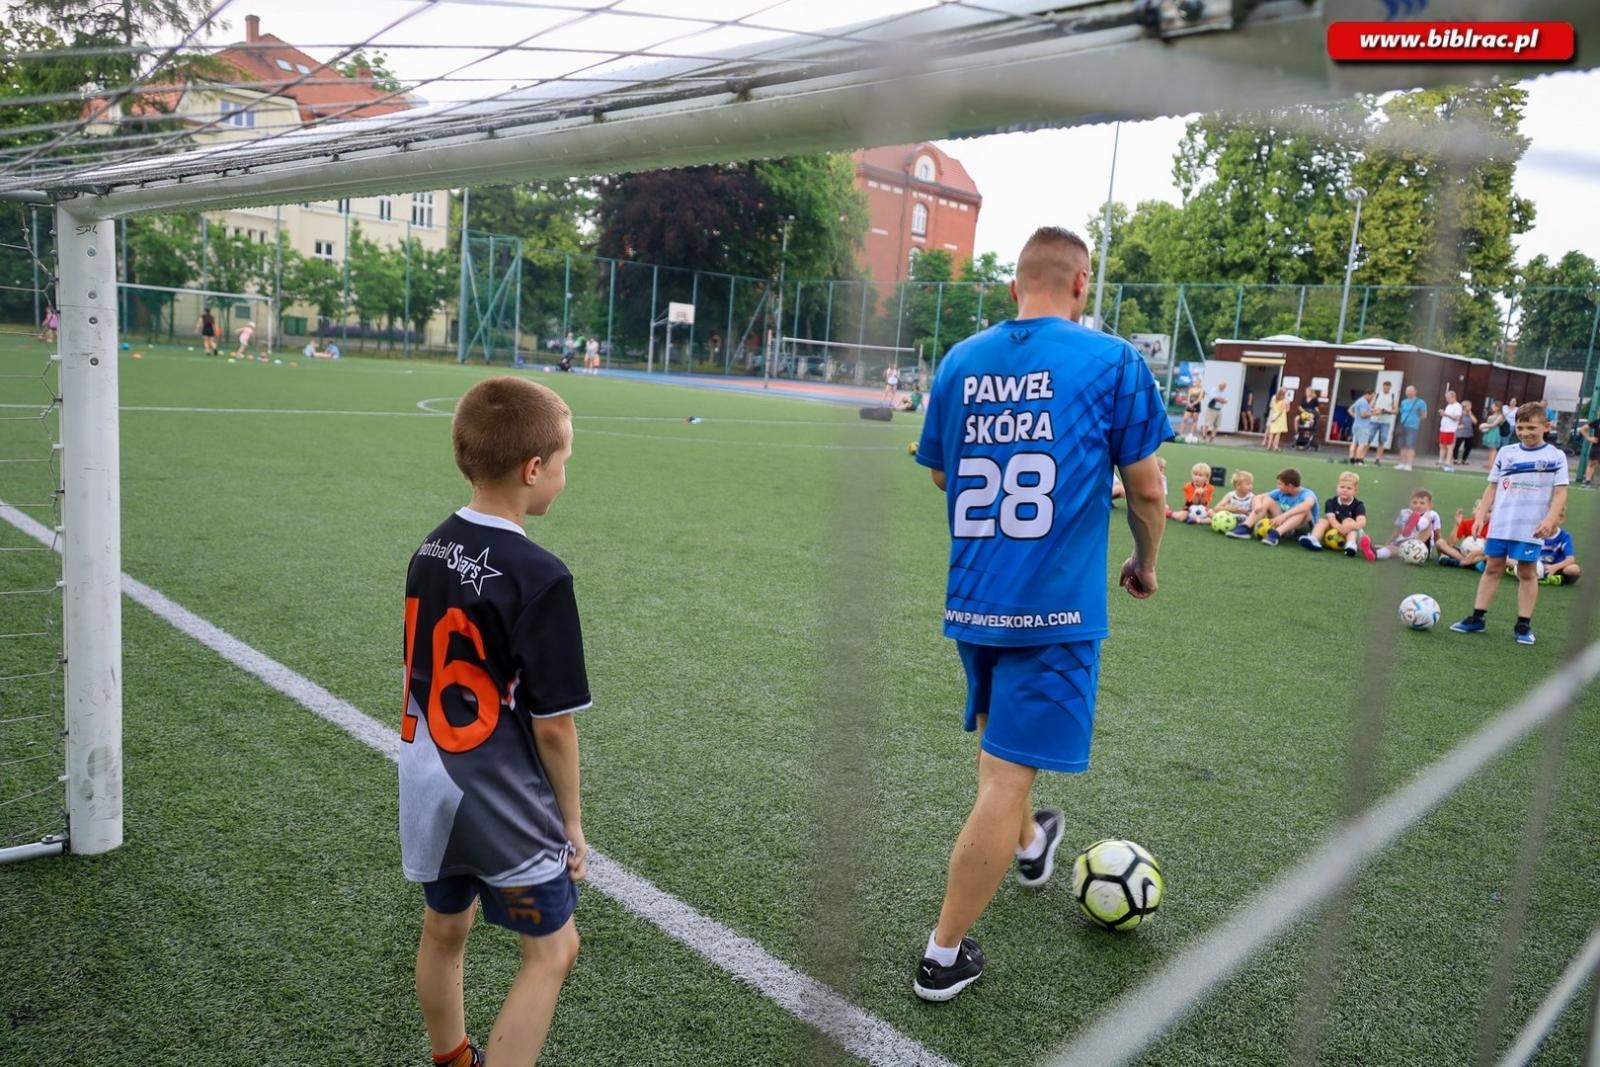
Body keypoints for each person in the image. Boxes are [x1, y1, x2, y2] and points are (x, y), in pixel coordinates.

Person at [911, 225, 1168, 1002]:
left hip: (976, 594)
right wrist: (1144, 561)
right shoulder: (1114, 360)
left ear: (1012, 283)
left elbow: (941, 476)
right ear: (1081, 285)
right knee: (1004, 773)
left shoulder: (961, 359)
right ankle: (942, 954)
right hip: (1054, 609)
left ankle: (1031, 841)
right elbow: (1150, 490)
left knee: (1000, 754)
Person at [402, 376, 588, 1066]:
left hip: (428, 779)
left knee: (445, 925)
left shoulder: (429, 548)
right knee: (553, 948)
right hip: (499, 797)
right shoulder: (540, 575)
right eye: (564, 464)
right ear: (532, 469)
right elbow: (553, 727)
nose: (564, 478)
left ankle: (451, 1057)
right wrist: (570, 822)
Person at [1450, 403, 1569, 644]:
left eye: (1531, 427)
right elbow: (1492, 487)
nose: (1525, 433)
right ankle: (1477, 618)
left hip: (1531, 527)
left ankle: (1523, 625)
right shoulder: (1507, 453)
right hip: (1501, 524)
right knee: (1493, 566)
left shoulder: (1556, 456)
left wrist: (1549, 519)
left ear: (1546, 426)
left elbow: (1561, 494)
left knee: (1526, 571)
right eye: (1521, 427)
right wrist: (1482, 515)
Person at [1225, 466, 1318, 546]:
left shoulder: (1307, 493)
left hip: (1303, 528)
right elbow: (1258, 497)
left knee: (1304, 510)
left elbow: (1307, 505)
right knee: (1267, 500)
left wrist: (1284, 516)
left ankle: (1276, 534)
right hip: (1286, 525)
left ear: (1289, 486)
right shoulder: (1281, 492)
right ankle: (1246, 527)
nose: (1278, 486)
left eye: (1280, 484)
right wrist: (1258, 505)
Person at [1300, 471, 1372, 559]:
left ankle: (1351, 545)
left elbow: (1362, 522)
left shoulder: (1358, 505)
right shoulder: (1330, 502)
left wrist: (1349, 526)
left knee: (1348, 521)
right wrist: (1340, 528)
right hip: (1336, 530)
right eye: (1342, 487)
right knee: (1323, 521)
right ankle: (1314, 539)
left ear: (1355, 490)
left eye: (1349, 488)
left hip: (1353, 534)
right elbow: (1331, 519)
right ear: (1337, 488)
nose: (1345, 490)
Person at [1372, 488, 1442, 561]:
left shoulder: (1432, 514)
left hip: (1420, 550)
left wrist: (1440, 554)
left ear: (1430, 505)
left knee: (1429, 521)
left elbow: (1437, 535)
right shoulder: (1405, 513)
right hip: (1404, 547)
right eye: (1414, 502)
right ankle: (1376, 554)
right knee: (1392, 548)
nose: (1418, 505)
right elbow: (1397, 532)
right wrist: (1386, 544)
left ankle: (1417, 524)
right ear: (1410, 503)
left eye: (1422, 503)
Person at [1437, 502, 1489, 569]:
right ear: (1474, 510)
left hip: (1481, 555)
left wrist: (1475, 553)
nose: (1483, 513)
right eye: (1480, 509)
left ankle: (1460, 563)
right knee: (1439, 543)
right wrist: (1457, 525)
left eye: (1488, 511)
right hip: (1464, 553)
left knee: (1492, 555)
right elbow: (1450, 544)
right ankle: (1470, 564)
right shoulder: (1466, 523)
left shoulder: (1493, 527)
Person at [1539, 507, 1581, 585]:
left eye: (1552, 516)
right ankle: (1551, 578)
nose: (1547, 520)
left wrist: (1554, 567)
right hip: (1534, 565)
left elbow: (1570, 559)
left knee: (1574, 569)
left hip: (1556, 568)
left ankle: (1556, 578)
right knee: (1509, 560)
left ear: (1561, 519)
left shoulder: (1564, 536)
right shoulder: (1536, 532)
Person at [1395, 385, 1428, 471]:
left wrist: (1416, 421)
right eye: (1407, 391)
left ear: (1415, 392)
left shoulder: (1420, 402)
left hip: (1413, 427)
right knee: (1402, 445)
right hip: (1403, 426)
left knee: (1410, 446)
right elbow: (1401, 412)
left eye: (1410, 391)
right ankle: (1402, 463)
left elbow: (1424, 415)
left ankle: (1409, 464)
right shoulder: (1403, 402)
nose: (1408, 393)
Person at [1346, 388, 1378, 464]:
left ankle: (1352, 459)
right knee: (1362, 444)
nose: (1372, 398)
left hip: (1356, 425)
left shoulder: (1359, 400)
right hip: (1363, 426)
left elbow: (1350, 410)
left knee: (1354, 442)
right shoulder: (1364, 402)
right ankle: (1358, 460)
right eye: (1371, 396)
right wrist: (1374, 413)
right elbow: (1363, 414)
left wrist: (1355, 417)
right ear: (1367, 394)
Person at [1369, 380, 1397, 464]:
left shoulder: (1393, 396)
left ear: (1390, 387)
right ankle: (1361, 457)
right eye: (1385, 387)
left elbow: (1395, 411)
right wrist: (1377, 410)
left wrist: (1387, 411)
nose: (1386, 388)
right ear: (1382, 386)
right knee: (1368, 439)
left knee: (1382, 440)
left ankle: (1378, 459)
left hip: (1385, 422)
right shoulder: (1377, 395)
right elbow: (1370, 407)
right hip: (1374, 420)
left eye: (1388, 387)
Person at [1436, 390, 1463, 472]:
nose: (1447, 400)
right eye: (1446, 398)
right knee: (1442, 446)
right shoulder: (1449, 406)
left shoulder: (1457, 406)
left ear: (1453, 397)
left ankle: (1447, 463)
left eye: (1448, 398)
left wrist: (1445, 414)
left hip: (1450, 430)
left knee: (1449, 447)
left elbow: (1457, 418)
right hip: (1443, 429)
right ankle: (1440, 461)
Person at [1479, 401, 1506, 468]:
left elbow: (1494, 424)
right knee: (1490, 448)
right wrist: (1483, 427)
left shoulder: (1501, 416)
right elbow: (1488, 423)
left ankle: (1492, 464)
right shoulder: (1492, 415)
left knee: (1493, 448)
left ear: (1498, 407)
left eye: (1494, 406)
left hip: (1494, 432)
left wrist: (1484, 426)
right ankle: (1489, 463)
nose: (1492, 407)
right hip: (1489, 431)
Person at [1451, 400, 1477, 467]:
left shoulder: (1471, 413)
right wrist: (1459, 426)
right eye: (1469, 406)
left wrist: (1470, 414)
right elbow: (1455, 421)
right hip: (1461, 432)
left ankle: (1464, 460)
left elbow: (1475, 422)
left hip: (1469, 432)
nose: (1470, 407)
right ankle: (1455, 459)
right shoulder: (1460, 413)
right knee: (1457, 445)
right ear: (1465, 407)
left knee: (1468, 446)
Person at [1576, 419, 1598, 487]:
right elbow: (1583, 429)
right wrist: (1589, 438)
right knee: (1592, 463)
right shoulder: (1597, 422)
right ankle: (1587, 481)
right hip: (1597, 445)